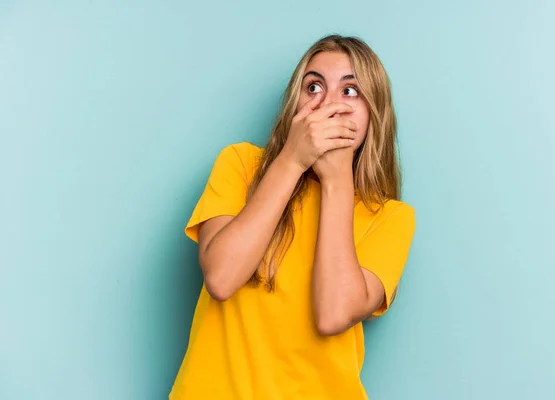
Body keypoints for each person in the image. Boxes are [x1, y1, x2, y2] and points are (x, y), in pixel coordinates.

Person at [169, 34, 417, 400]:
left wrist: (336, 180)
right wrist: (293, 160)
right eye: (313, 86)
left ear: (373, 113)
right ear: (294, 105)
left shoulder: (392, 218)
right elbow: (221, 278)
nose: (328, 103)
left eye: (350, 91)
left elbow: (333, 316)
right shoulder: (240, 166)